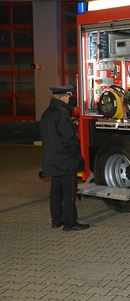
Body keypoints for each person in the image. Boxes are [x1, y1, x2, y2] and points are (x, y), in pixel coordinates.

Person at [40, 85, 89, 231]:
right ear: (63, 97)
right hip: (65, 160)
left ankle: (57, 219)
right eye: (68, 96)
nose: (69, 99)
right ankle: (70, 222)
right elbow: (69, 139)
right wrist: (77, 155)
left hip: (52, 159)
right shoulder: (62, 113)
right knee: (69, 192)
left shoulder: (47, 112)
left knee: (56, 191)